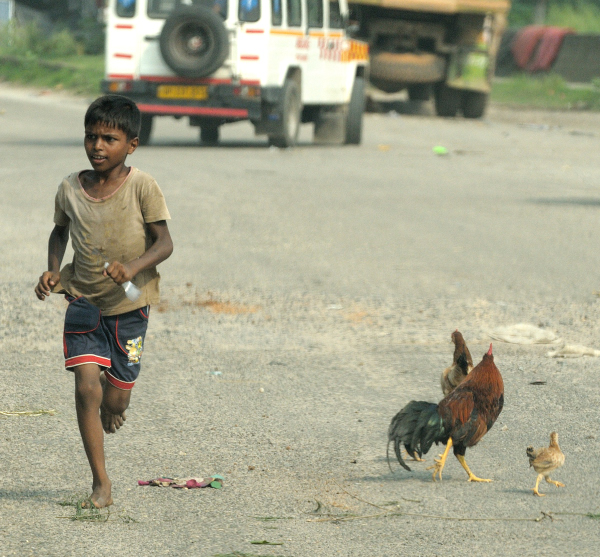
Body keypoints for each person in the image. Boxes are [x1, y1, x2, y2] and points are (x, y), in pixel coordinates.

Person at [35, 95, 173, 509]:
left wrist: (132, 267)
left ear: (131, 145)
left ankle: (116, 398)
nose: (97, 146)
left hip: (130, 306)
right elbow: (59, 232)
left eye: (109, 139)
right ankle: (101, 483)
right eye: (91, 137)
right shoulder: (70, 188)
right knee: (86, 388)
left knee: (115, 399)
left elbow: (164, 243)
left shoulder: (142, 186)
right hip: (83, 302)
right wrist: (53, 270)